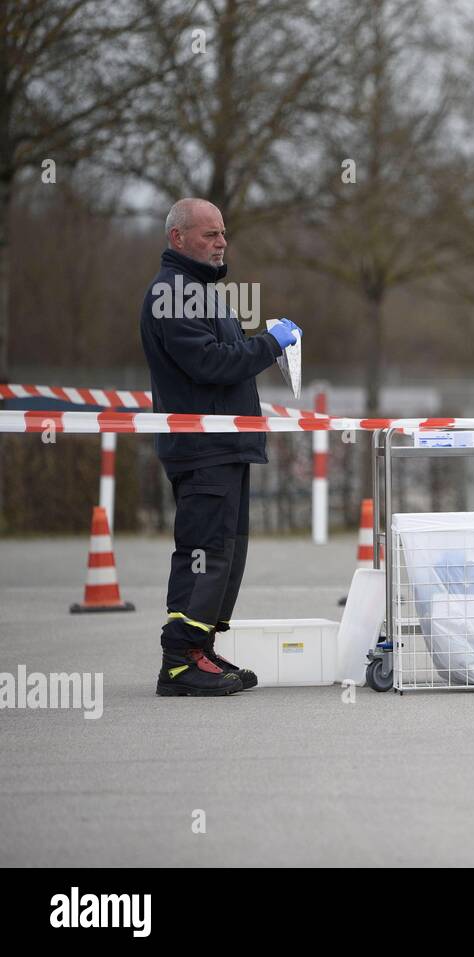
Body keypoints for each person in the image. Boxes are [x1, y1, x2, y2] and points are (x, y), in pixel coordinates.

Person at [139, 198, 302, 696]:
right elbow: (210, 364)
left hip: (225, 447)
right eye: (209, 234)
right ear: (178, 238)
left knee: (226, 553)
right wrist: (270, 343)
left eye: (223, 234)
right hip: (203, 450)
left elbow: (222, 359)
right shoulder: (174, 293)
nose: (221, 242)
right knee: (203, 553)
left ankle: (201, 647)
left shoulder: (201, 292)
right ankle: (179, 659)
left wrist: (258, 342)